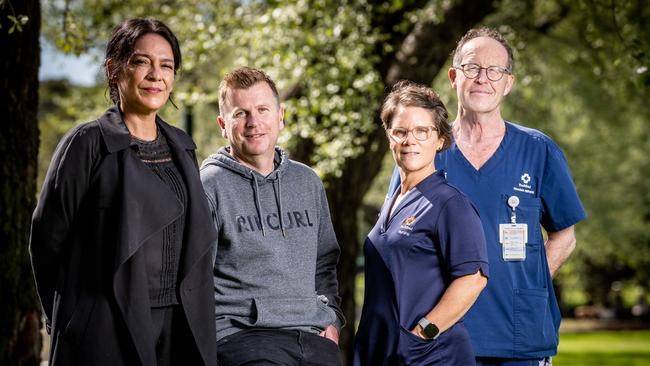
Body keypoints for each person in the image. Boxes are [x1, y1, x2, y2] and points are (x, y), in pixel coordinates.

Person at [387, 28, 587, 365]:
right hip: (445, 332)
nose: (484, 78)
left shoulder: (538, 151)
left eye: (495, 70)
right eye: (472, 68)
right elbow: (395, 236)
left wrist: (527, 285)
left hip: (520, 335)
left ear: (508, 83)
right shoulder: (425, 149)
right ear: (454, 77)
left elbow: (564, 236)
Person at [29, 18, 217, 366]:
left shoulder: (183, 148)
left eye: (166, 66)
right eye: (141, 62)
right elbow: (46, 242)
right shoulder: (86, 144)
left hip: (179, 329)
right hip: (104, 329)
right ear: (115, 69)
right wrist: (73, 316)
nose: (155, 75)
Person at [200, 66, 345, 366]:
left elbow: (325, 262)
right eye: (240, 113)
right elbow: (195, 279)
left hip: (313, 337)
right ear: (223, 125)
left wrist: (331, 321)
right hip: (244, 339)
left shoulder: (307, 181)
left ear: (280, 117)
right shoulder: (209, 185)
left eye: (262, 109)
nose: (254, 122)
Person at [354, 81, 489, 366]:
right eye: (400, 131)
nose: (409, 140)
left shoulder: (449, 204)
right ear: (389, 137)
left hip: (429, 356)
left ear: (439, 139)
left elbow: (473, 279)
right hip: (383, 352)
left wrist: (422, 333)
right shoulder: (393, 201)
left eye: (421, 131)